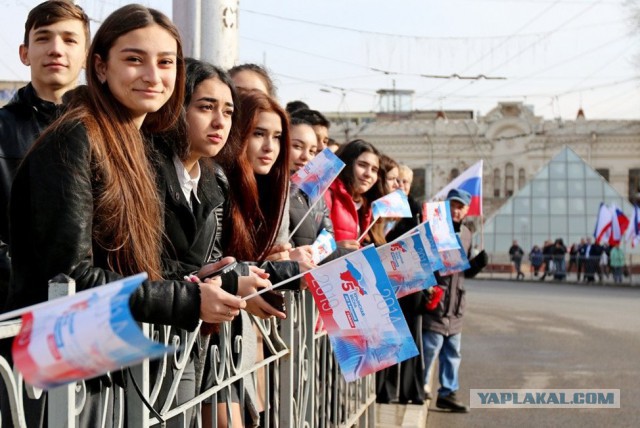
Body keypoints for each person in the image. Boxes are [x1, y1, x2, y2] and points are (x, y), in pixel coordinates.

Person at [5, 6, 246, 427]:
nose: (153, 76)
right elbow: (69, 277)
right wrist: (188, 299)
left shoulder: (130, 141)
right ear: (100, 67)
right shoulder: (76, 137)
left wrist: (199, 277)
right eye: (134, 59)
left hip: (104, 362)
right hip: (59, 373)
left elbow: (123, 260)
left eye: (166, 62)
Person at [0, 0, 89, 307]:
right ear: (25, 53)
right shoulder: (2, 130)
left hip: (97, 305)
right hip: (15, 311)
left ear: (87, 55)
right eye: (43, 38)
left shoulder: (110, 134)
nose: (56, 49)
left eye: (69, 39)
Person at [422, 188, 488, 413]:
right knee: (430, 348)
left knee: (453, 353)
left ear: (467, 210)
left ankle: (448, 393)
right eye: (453, 205)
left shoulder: (467, 234)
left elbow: (463, 272)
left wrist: (478, 263)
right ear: (446, 206)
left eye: (461, 207)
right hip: (437, 300)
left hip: (456, 305)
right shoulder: (434, 229)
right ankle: (421, 386)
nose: (457, 210)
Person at [385, 164, 425, 405]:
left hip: (410, 283)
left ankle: (411, 392)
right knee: (389, 339)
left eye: (406, 183)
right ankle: (385, 392)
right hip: (386, 283)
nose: (401, 186)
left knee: (411, 340)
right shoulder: (381, 209)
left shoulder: (415, 208)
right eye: (397, 181)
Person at [324, 139, 382, 249]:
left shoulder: (366, 206)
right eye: (362, 165)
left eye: (374, 170)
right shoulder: (326, 194)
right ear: (347, 164)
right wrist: (334, 249)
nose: (368, 174)